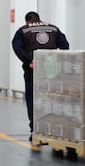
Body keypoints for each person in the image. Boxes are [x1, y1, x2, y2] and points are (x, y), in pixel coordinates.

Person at [12, 11, 70, 141]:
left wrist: (29, 61)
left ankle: (35, 131)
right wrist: (57, 60)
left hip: (33, 69)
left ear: (27, 21)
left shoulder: (23, 30)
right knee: (53, 98)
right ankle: (55, 130)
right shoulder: (53, 28)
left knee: (33, 99)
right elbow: (65, 46)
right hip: (52, 69)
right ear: (39, 18)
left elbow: (17, 47)